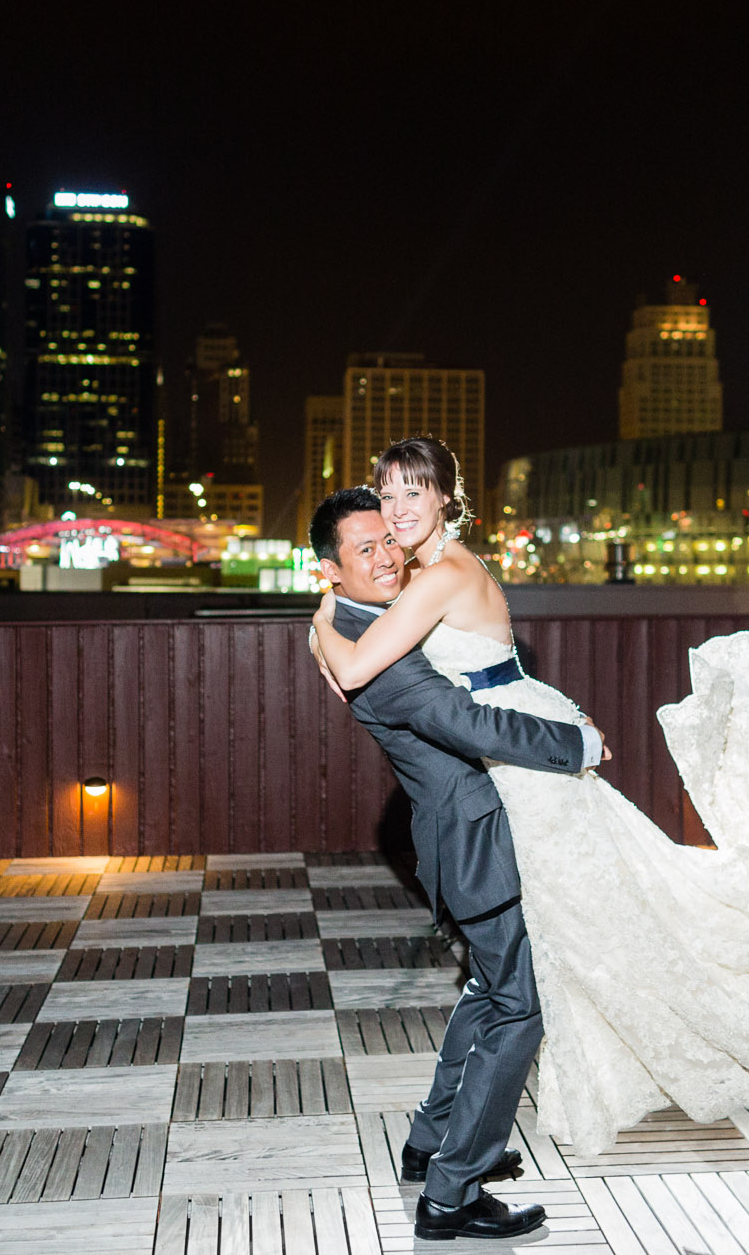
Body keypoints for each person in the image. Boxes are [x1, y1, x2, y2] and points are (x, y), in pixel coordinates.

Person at [311, 435, 749, 1157]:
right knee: (522, 967)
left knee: (573, 949)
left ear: (446, 500)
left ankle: (461, 1151)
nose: (397, 510)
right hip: (511, 767)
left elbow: (357, 668)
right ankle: (447, 1143)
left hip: (528, 770)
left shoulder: (441, 575)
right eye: (387, 494)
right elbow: (388, 660)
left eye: (414, 493)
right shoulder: (419, 571)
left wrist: (322, 615)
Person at [307, 486, 606, 1242]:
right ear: (331, 569)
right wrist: (577, 744)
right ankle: (452, 1193)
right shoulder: (383, 661)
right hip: (473, 842)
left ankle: (431, 1140)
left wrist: (324, 619)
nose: (387, 556)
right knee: (519, 1006)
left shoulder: (355, 623)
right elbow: (468, 723)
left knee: (488, 988)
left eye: (388, 539)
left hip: (458, 834)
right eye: (364, 549)